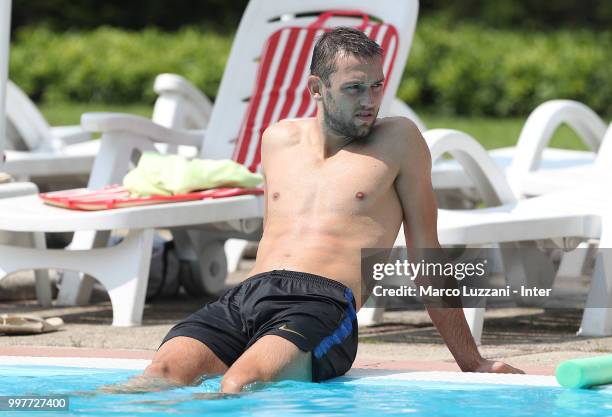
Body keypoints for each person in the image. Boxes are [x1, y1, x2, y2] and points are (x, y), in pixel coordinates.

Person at [112, 26, 523, 394]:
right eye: (354, 88)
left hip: (323, 303)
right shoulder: (278, 139)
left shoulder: (399, 141)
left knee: (242, 382)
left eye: (376, 87)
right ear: (316, 87)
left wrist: (472, 361)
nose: (370, 101)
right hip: (246, 296)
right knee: (157, 375)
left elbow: (426, 256)